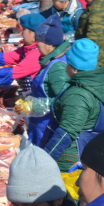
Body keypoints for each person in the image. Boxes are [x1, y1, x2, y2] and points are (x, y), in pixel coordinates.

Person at [40, 38, 104, 171]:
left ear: (75, 69)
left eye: (67, 64)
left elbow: (66, 133)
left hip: (71, 158)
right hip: (93, 149)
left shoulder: (78, 94)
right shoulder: (102, 83)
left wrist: (44, 160)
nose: (65, 69)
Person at [27, 14, 71, 144]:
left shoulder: (57, 68)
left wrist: (35, 105)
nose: (36, 45)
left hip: (47, 129)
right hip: (39, 125)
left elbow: (64, 101)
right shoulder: (50, 60)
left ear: (50, 45)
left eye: (38, 41)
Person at [0, 13, 44, 90]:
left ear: (33, 33)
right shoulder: (27, 49)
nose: (22, 33)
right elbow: (6, 58)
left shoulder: (36, 54)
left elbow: (14, 72)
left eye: (24, 30)